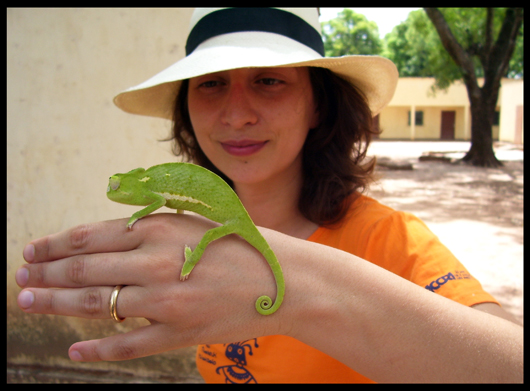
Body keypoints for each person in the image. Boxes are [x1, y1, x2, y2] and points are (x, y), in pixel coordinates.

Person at [16, 8, 522, 383]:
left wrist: (298, 293)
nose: (237, 114)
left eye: (269, 80)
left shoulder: (390, 239)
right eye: (211, 84)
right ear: (185, 109)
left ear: (318, 105)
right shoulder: (188, 238)